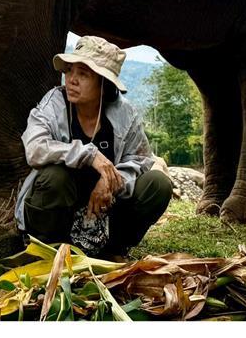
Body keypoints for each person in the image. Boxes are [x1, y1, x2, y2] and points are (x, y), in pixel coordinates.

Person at [15, 35, 173, 257]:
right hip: (58, 210)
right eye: (69, 71)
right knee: (55, 177)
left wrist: (111, 182)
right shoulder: (53, 103)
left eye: (83, 74)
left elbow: (140, 160)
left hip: (104, 213)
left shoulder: (125, 115)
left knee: (158, 184)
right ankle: (48, 250)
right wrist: (89, 155)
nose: (71, 79)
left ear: (104, 84)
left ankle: (114, 248)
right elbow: (35, 148)